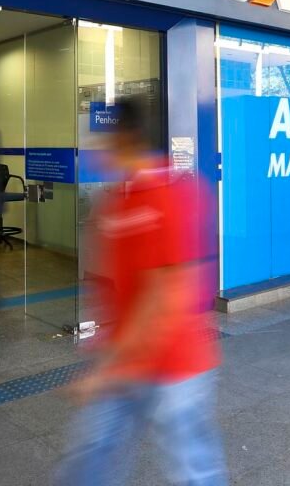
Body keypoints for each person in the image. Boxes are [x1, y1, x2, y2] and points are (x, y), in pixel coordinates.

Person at [56, 97, 226, 486]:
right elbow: (110, 281)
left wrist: (112, 365)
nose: (97, 149)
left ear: (125, 139)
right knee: (89, 458)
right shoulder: (115, 199)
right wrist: (106, 345)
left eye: (104, 139)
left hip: (174, 365)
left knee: (194, 471)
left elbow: (169, 295)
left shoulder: (172, 193)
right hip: (125, 360)